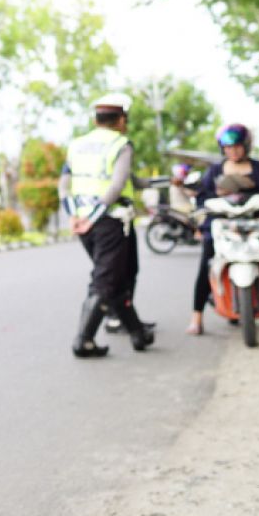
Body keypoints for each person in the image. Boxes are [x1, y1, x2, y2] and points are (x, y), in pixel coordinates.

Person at [59, 93, 155, 357]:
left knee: (118, 276)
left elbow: (64, 185)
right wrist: (94, 216)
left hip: (84, 222)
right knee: (106, 279)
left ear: (96, 119)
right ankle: (84, 340)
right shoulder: (120, 144)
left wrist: (75, 215)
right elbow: (115, 187)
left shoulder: (77, 145)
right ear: (121, 119)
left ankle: (137, 333)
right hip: (110, 221)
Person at [186, 123, 259, 336]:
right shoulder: (215, 171)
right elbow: (202, 196)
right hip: (223, 226)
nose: (233, 151)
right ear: (222, 149)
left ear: (246, 146)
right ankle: (196, 318)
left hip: (257, 225)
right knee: (205, 267)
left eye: (237, 146)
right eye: (228, 147)